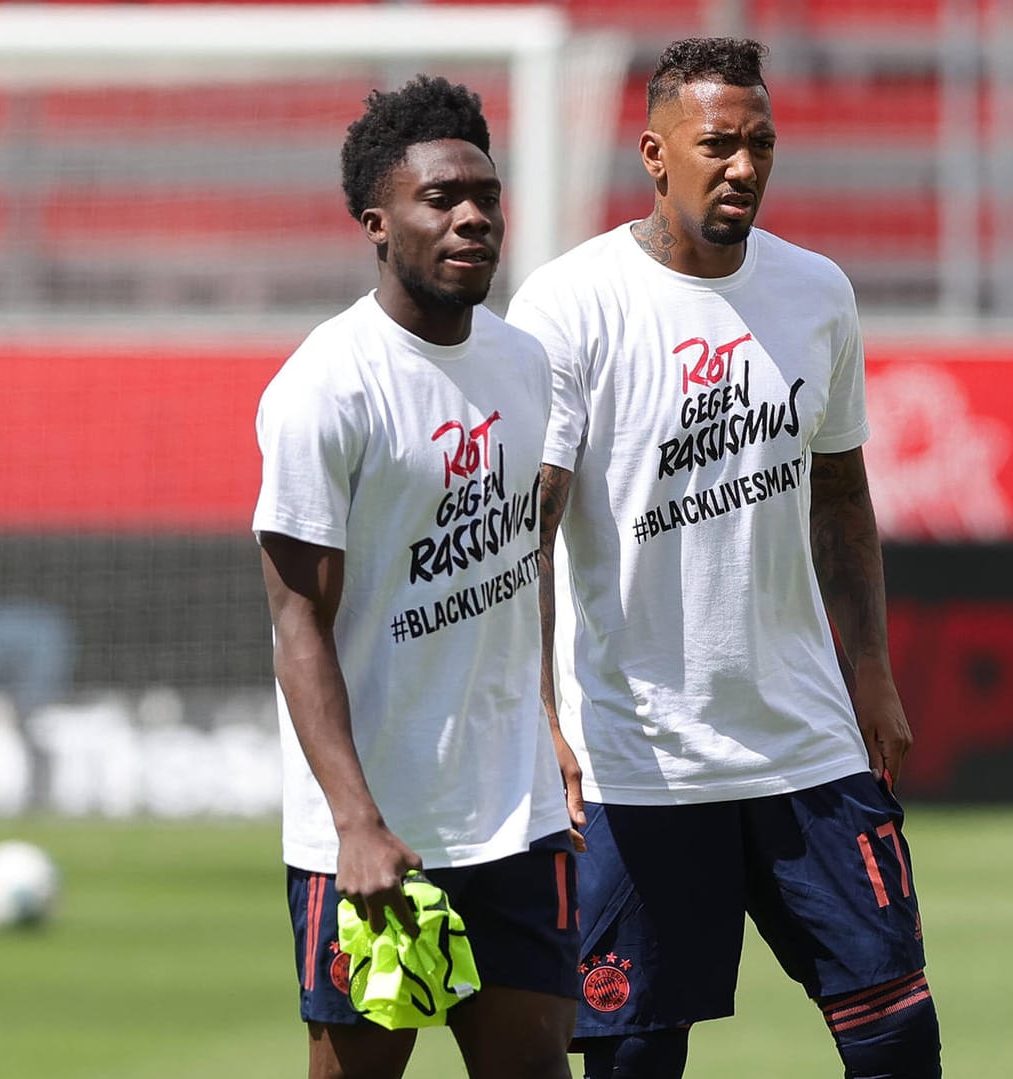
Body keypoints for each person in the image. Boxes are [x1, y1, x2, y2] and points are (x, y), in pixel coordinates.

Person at [505, 38, 942, 1079]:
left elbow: (840, 490)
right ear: (656, 154)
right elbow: (530, 528)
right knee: (631, 1058)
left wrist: (869, 663)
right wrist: (536, 712)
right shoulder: (571, 303)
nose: (743, 166)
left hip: (805, 744)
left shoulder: (817, 292)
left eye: (761, 145)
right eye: (718, 145)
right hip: (636, 761)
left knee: (898, 1041)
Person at [253, 75, 577, 1079]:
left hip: (516, 818)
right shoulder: (325, 385)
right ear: (377, 224)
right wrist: (356, 820)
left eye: (486, 194)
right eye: (442, 198)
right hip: (375, 831)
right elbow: (296, 621)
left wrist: (551, 721)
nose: (475, 215)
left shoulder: (528, 366)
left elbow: (529, 561)